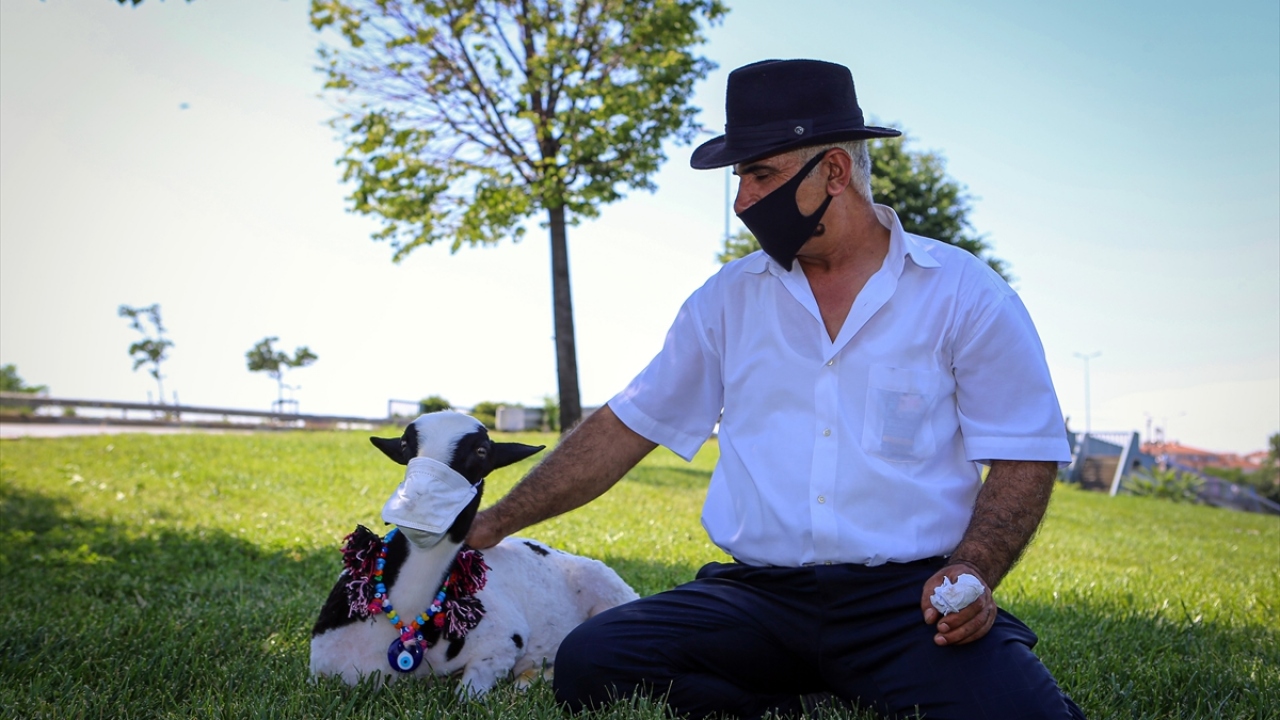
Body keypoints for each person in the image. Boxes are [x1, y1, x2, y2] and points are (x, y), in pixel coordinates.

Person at [468, 58, 1085, 720]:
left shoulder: (965, 294)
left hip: (907, 602)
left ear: (835, 172)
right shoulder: (727, 300)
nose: (741, 201)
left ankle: (837, 685)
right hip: (758, 600)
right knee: (595, 663)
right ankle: (789, 706)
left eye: (760, 174)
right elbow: (626, 426)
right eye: (740, 178)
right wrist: (494, 523)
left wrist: (973, 569)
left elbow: (1025, 452)